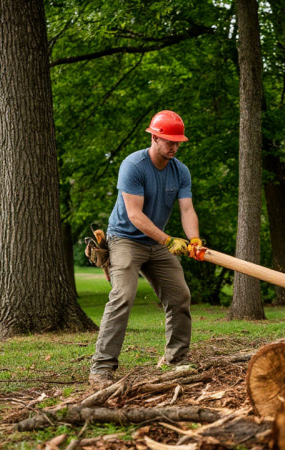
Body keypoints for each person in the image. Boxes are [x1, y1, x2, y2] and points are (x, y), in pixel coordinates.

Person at [89, 110, 203, 390]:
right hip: (125, 239)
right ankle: (102, 368)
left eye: (178, 142)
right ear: (154, 136)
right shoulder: (134, 165)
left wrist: (195, 239)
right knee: (122, 297)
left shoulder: (180, 171)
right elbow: (135, 215)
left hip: (157, 243)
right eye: (169, 142)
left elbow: (187, 209)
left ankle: (176, 360)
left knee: (180, 296)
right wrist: (168, 240)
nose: (174, 147)